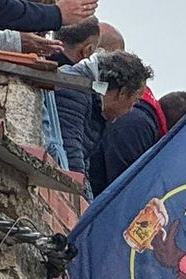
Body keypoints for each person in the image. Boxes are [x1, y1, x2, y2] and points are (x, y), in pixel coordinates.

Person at [54, 21, 124, 183]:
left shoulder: (88, 91)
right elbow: (71, 148)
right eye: (113, 59)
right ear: (90, 50)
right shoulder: (76, 88)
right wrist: (79, 191)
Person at [88, 53, 162, 195]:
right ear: (122, 93)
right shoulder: (84, 104)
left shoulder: (96, 114)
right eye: (134, 101)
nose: (131, 109)